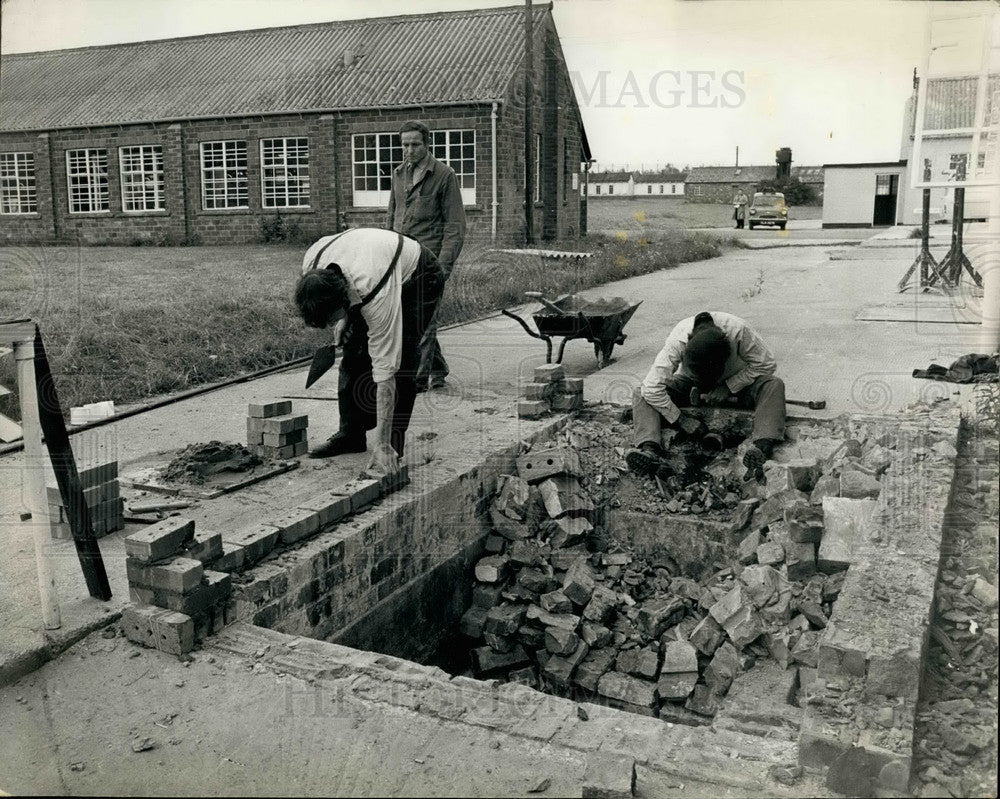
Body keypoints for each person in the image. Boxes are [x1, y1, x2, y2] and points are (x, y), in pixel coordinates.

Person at [295, 227, 445, 475]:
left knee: (402, 359)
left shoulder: (375, 290)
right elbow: (343, 298)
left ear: (344, 300)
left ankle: (390, 445)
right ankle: (351, 435)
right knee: (354, 351)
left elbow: (385, 371)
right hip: (369, 263)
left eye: (334, 317)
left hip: (419, 277)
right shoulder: (313, 261)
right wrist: (344, 319)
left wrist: (383, 442)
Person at [625, 311, 785, 480]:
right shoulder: (678, 340)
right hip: (691, 384)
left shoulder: (738, 331)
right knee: (641, 393)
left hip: (736, 382)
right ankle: (650, 450)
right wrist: (680, 419)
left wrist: (729, 386)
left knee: (773, 384)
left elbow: (767, 364)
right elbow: (651, 388)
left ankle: (761, 448)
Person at [386, 120, 466, 392]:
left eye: (415, 144)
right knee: (412, 317)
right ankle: (438, 367)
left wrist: (443, 269)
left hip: (429, 263)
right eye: (404, 145)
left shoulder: (444, 175)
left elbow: (455, 227)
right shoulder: (398, 174)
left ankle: (415, 381)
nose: (409, 150)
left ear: (426, 144)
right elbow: (392, 216)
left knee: (423, 319)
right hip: (401, 261)